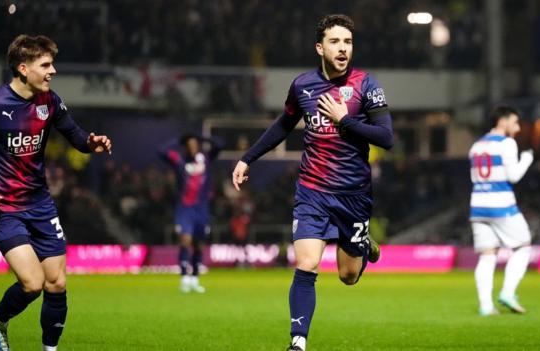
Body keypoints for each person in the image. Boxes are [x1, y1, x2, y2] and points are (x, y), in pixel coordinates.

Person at [232, 14, 393, 351]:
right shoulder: (303, 85)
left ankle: (363, 246)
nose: (343, 48)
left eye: (348, 42)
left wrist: (344, 120)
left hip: (353, 195)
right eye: (335, 41)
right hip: (312, 191)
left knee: (348, 277)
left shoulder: (366, 85)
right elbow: (283, 125)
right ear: (320, 47)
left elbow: (386, 137)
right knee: (306, 263)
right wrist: (248, 158)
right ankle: (298, 342)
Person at [0, 34, 112, 351]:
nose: (52, 71)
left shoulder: (49, 101)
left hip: (41, 205)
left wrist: (90, 143)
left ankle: (50, 349)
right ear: (23, 68)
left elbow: (76, 136)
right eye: (45, 65)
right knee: (32, 283)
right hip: (4, 208)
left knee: (57, 282)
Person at [469, 105, 533, 316]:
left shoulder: (476, 146)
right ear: (503, 121)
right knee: (523, 246)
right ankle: (507, 292)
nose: (516, 127)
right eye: (514, 122)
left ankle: (486, 306)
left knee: (487, 255)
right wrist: (527, 159)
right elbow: (513, 176)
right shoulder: (507, 143)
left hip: (478, 205)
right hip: (501, 204)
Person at [160, 134, 221, 293]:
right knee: (185, 240)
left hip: (202, 208)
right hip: (185, 208)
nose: (193, 147)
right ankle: (184, 278)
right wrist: (179, 139)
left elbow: (219, 145)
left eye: (195, 144)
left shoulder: (205, 159)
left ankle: (194, 278)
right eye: (189, 145)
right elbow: (161, 151)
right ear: (185, 147)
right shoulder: (179, 160)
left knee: (199, 245)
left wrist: (202, 138)